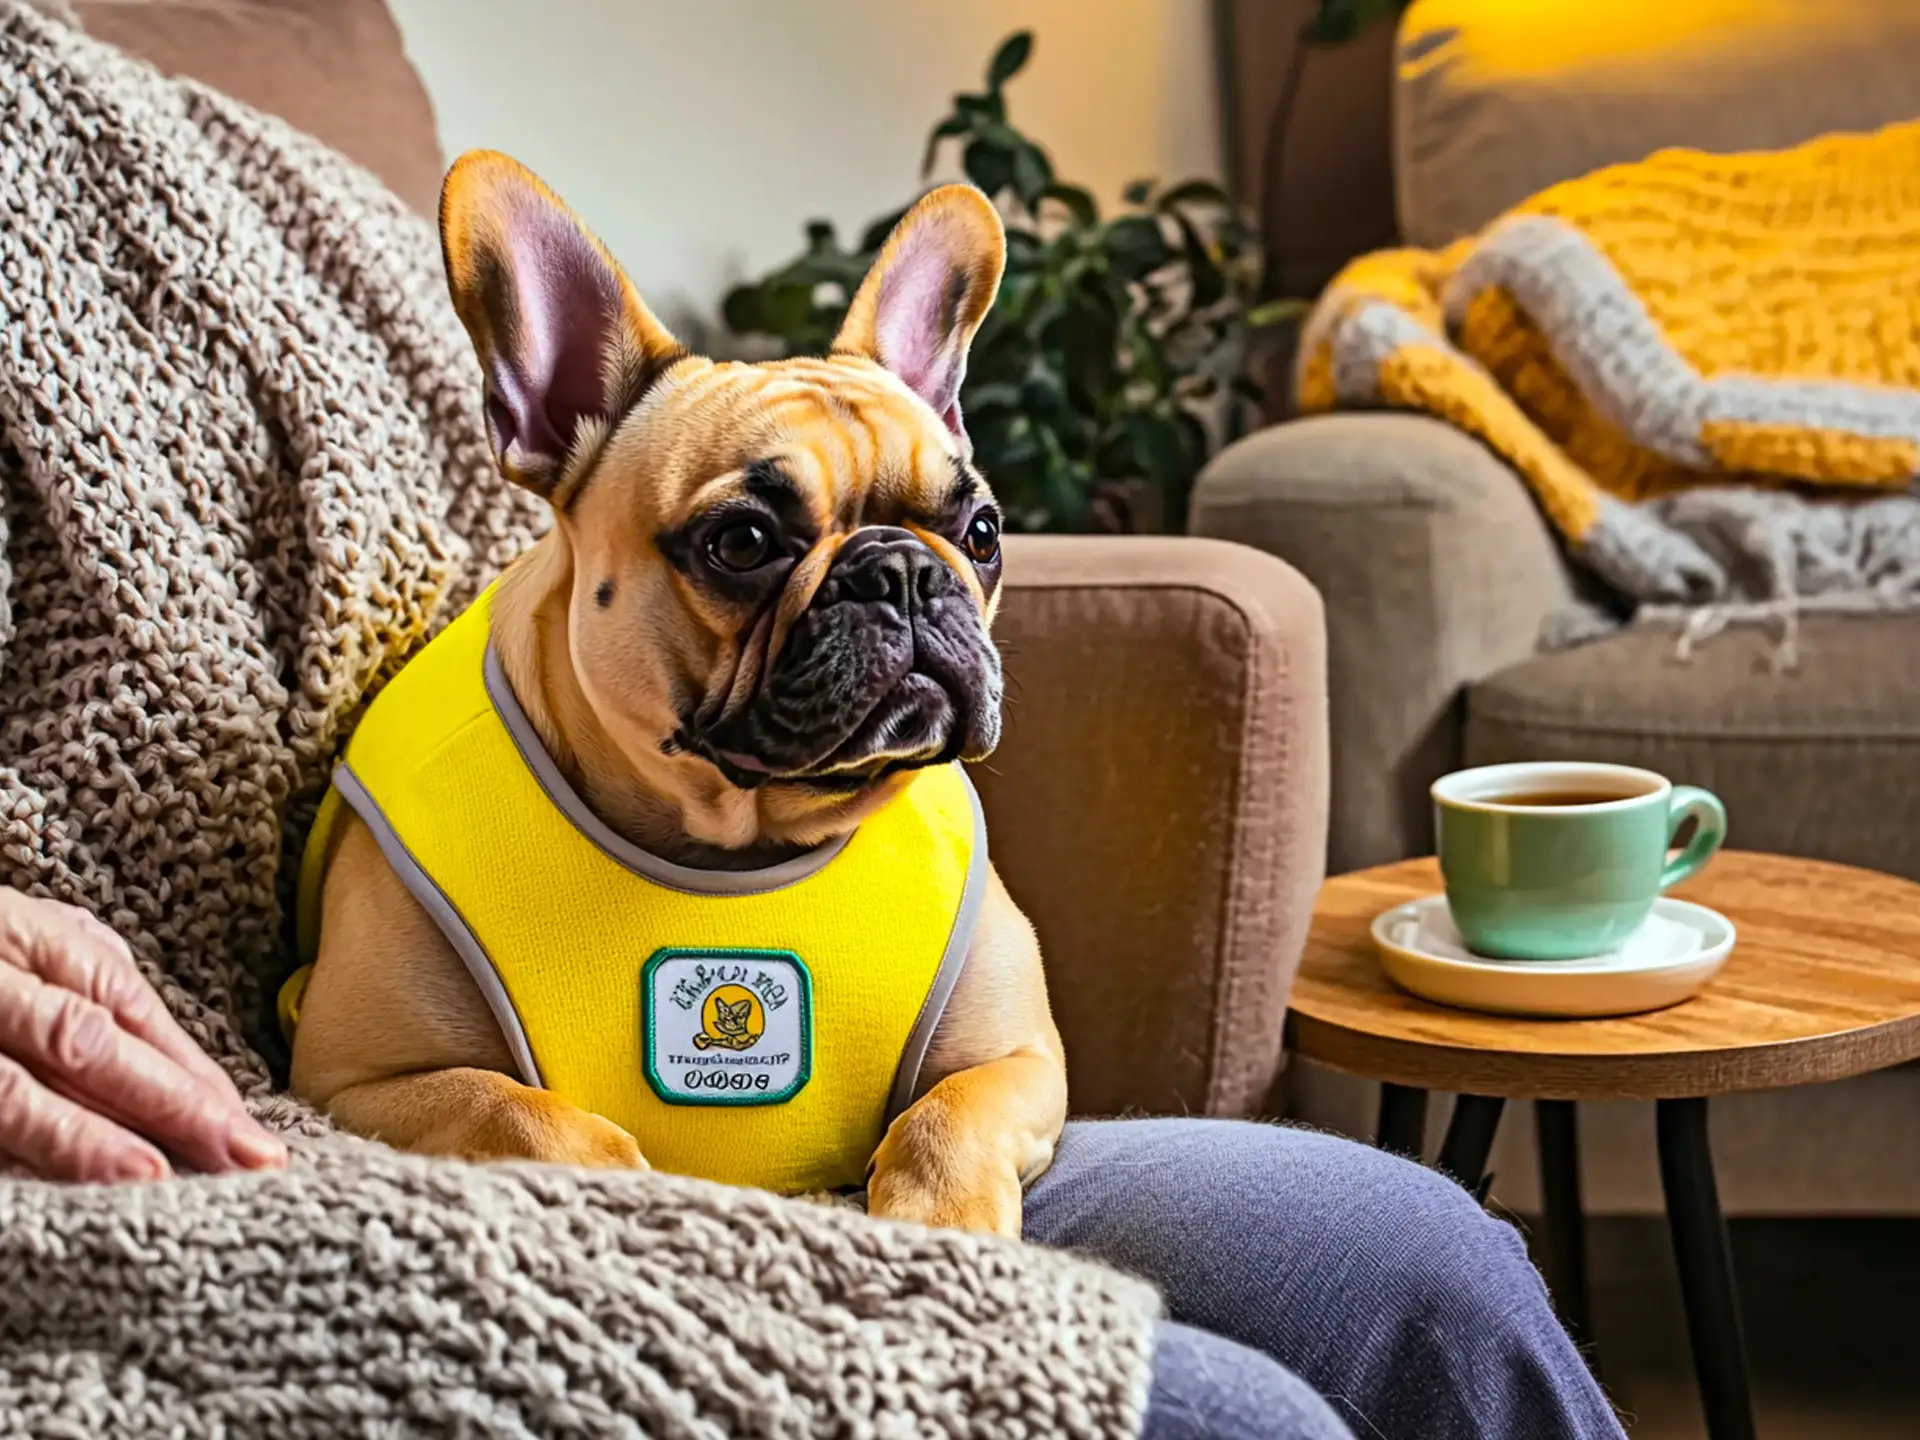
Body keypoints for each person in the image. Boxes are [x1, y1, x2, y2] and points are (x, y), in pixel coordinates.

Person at [0, 885, 1623, 1439]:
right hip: (261, 1165)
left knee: (1422, 1267)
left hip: (848, 1148)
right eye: (746, 550)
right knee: (1228, 1424)